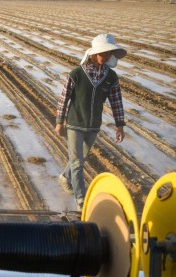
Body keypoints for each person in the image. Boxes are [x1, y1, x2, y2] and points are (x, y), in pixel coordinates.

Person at [55, 34, 127, 210]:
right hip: (74, 123)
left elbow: (116, 101)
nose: (108, 56)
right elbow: (64, 99)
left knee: (80, 158)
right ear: (94, 53)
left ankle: (65, 177)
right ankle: (81, 200)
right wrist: (59, 122)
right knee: (78, 163)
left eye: (110, 53)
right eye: (104, 52)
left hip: (93, 125)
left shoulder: (111, 77)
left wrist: (120, 125)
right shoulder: (77, 74)